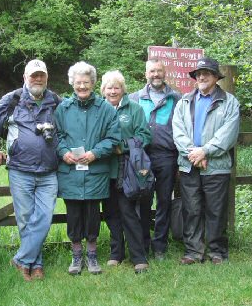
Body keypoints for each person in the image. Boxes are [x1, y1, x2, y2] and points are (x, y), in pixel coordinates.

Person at [0, 59, 60, 281]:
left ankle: (21, 259)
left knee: (44, 219)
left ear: (46, 77)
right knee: (26, 219)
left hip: (48, 171)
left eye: (41, 75)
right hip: (20, 170)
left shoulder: (55, 101)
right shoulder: (12, 99)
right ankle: (35, 264)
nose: (37, 79)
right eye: (33, 75)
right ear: (25, 77)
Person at [55, 61, 120, 275]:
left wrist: (95, 153)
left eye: (86, 82)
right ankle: (76, 257)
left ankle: (92, 256)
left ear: (93, 83)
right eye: (78, 82)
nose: (82, 86)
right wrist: (63, 151)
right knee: (73, 214)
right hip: (71, 172)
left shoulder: (106, 109)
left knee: (93, 214)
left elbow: (113, 138)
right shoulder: (63, 108)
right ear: (72, 83)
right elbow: (56, 136)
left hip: (95, 172)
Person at [172, 57, 240, 265]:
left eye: (206, 73)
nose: (201, 77)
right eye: (198, 74)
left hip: (216, 166)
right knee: (191, 209)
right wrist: (194, 154)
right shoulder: (184, 101)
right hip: (189, 165)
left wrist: (205, 152)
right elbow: (178, 132)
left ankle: (217, 251)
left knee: (216, 210)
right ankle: (193, 252)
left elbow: (227, 134)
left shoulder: (229, 102)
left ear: (216, 77)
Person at [100, 70, 152, 273]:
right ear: (103, 90)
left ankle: (138, 256)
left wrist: (125, 146)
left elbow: (145, 135)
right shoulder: (98, 110)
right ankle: (116, 253)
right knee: (111, 213)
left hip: (128, 168)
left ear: (123, 89)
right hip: (104, 168)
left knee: (128, 212)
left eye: (117, 87)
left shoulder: (135, 109)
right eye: (109, 87)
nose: (113, 91)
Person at [129, 59, 181, 259]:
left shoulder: (176, 99)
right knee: (142, 201)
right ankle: (142, 243)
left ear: (164, 73)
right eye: (152, 71)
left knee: (164, 202)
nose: (156, 74)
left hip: (167, 157)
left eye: (159, 71)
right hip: (141, 157)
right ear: (146, 74)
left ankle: (159, 246)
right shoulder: (134, 98)